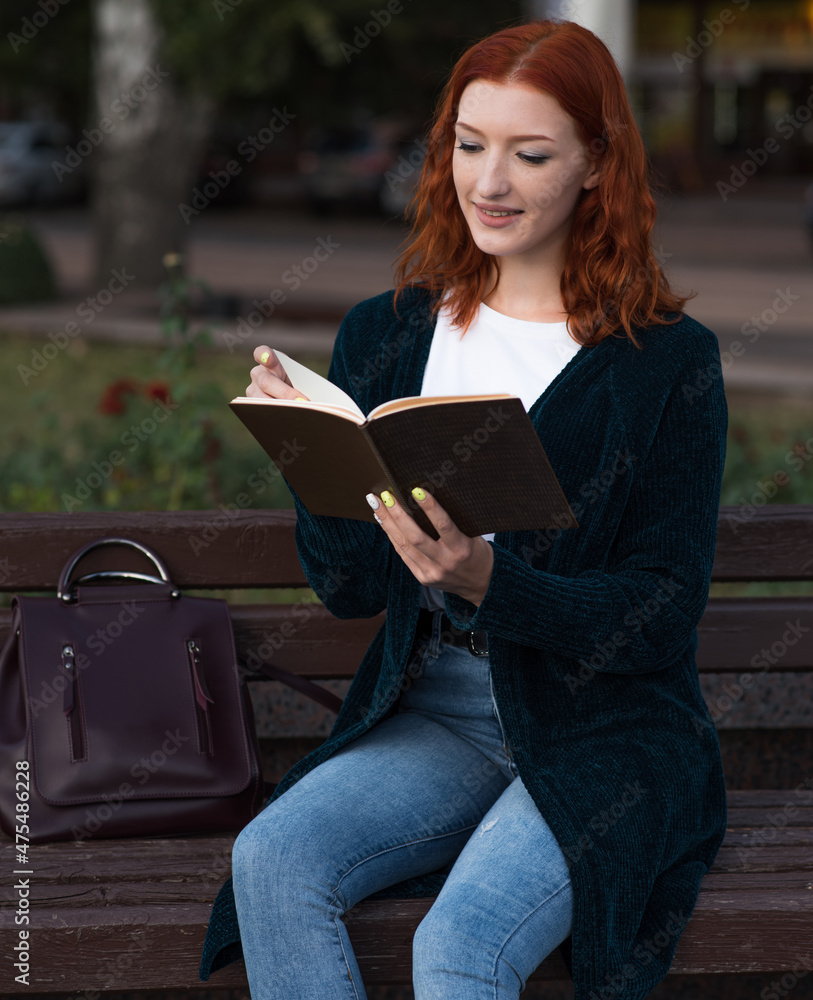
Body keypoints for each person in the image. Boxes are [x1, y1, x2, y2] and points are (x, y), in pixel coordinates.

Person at [200, 18, 729, 1000]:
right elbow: (351, 589)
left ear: (595, 165)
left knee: (462, 944)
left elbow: (663, 609)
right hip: (435, 712)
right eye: (469, 144)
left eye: (530, 154)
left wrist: (494, 581)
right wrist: (311, 454)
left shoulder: (665, 362)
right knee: (272, 857)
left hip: (606, 728)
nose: (488, 182)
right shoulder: (389, 332)